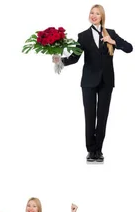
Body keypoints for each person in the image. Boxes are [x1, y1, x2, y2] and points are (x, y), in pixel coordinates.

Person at [53, 4, 132, 162]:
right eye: (91, 13)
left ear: (102, 16)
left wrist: (113, 41)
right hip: (88, 82)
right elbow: (75, 58)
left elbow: (130, 48)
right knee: (90, 116)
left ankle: (99, 150)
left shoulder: (112, 33)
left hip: (106, 82)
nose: (94, 15)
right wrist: (60, 60)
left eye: (97, 13)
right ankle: (90, 150)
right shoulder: (83, 36)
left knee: (102, 116)